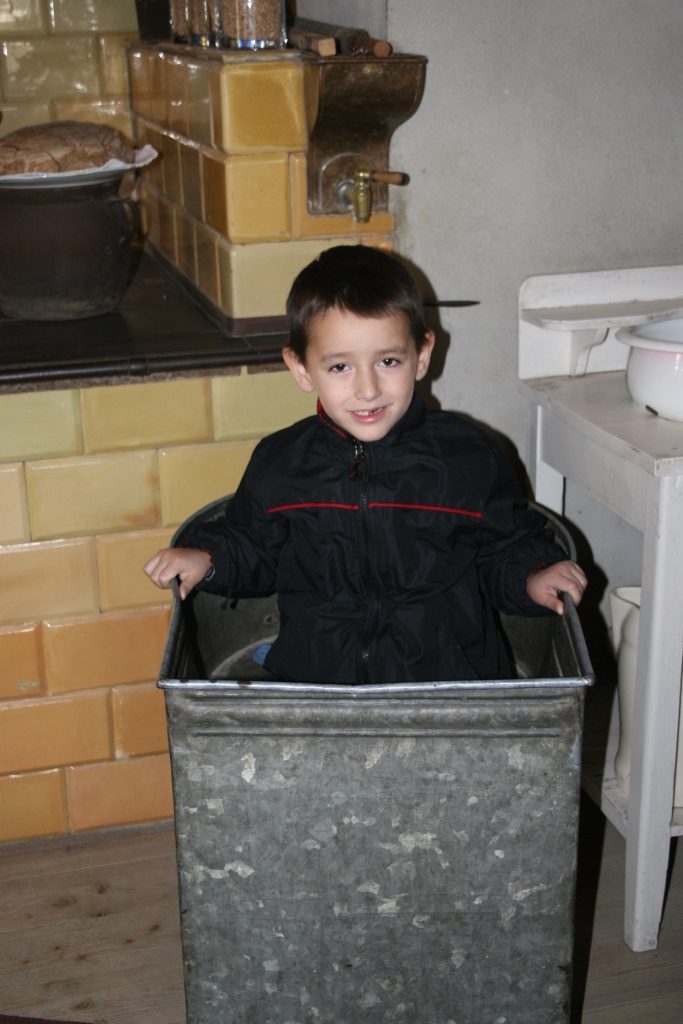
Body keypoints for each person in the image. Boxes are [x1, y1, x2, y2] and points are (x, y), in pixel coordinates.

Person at [144, 245, 586, 684]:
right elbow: (252, 546)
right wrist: (207, 557)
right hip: (319, 686)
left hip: (445, 689)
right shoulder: (281, 462)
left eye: (388, 361)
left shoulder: (469, 458)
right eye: (340, 367)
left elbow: (504, 547)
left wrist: (533, 575)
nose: (368, 389)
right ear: (301, 369)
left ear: (422, 355)